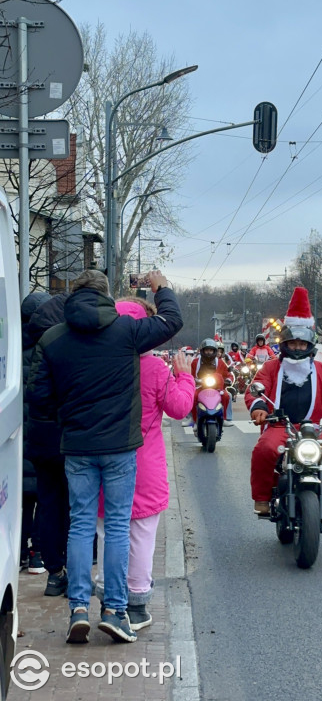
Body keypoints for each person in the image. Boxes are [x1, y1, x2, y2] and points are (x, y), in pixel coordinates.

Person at [27, 269, 183, 645]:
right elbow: (172, 320)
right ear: (107, 297)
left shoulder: (53, 339)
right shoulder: (126, 333)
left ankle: (78, 608)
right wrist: (159, 287)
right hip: (119, 447)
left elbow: (39, 398)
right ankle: (115, 610)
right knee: (116, 527)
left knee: (80, 525)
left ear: (73, 296)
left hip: (77, 447)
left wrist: (67, 417)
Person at [96, 298, 195, 630]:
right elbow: (180, 408)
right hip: (143, 466)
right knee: (140, 536)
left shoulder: (99, 361)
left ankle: (110, 601)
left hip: (102, 461)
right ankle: (136, 607)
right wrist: (185, 378)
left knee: (108, 532)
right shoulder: (154, 369)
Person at [244, 287, 322, 520]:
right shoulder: (271, 367)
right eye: (293, 344)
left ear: (309, 345)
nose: (298, 348)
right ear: (285, 344)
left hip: (316, 427)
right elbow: (255, 389)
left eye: (302, 344)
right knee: (265, 449)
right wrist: (259, 407)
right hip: (281, 425)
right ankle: (262, 496)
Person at [27, 293, 70, 596]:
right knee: (75, 505)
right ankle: (74, 566)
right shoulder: (66, 344)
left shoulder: (28, 344)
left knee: (48, 503)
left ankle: (53, 571)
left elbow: (35, 395)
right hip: (69, 436)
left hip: (40, 437)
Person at [21, 291, 51, 574]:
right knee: (44, 497)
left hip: (15, 438)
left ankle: (16, 550)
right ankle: (37, 554)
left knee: (18, 498)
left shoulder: (9, 347)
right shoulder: (50, 348)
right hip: (42, 436)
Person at [191, 338, 232, 426]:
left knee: (226, 396)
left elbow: (227, 374)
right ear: (202, 351)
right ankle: (193, 419)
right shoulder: (195, 362)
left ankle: (223, 418)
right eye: (206, 350)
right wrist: (191, 380)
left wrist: (229, 380)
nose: (209, 352)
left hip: (217, 388)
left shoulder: (220, 362)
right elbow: (189, 374)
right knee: (193, 396)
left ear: (215, 351)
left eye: (211, 350)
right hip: (200, 386)